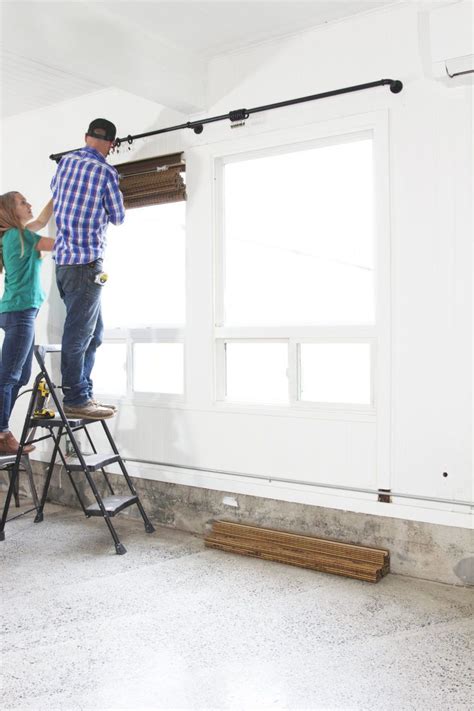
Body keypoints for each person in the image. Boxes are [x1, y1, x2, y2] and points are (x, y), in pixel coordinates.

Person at [51, 118, 125, 420]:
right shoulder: (105, 172)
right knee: (80, 335)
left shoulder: (65, 163)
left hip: (64, 266)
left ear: (85, 137)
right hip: (87, 265)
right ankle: (76, 398)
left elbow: (57, 197)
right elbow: (118, 216)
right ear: (111, 144)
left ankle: (84, 392)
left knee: (93, 333)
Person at [0, 192, 54, 454]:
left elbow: (42, 219)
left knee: (20, 376)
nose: (29, 204)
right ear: (10, 211)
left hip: (22, 312)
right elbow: (54, 243)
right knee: (8, 376)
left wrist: (60, 192)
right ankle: (2, 432)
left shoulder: (17, 235)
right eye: (23, 202)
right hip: (20, 312)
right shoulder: (19, 237)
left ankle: (1, 431)